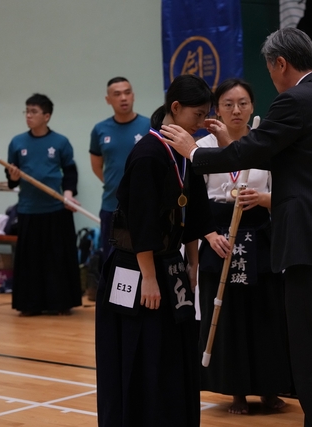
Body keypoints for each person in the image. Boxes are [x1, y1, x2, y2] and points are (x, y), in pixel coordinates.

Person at [161, 28, 312, 427]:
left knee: (310, 361)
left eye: (270, 70)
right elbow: (284, 158)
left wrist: (195, 152)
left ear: (281, 63)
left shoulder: (295, 100)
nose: (272, 78)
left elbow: (257, 149)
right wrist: (229, 145)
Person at [95, 74, 221, 427]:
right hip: (136, 268)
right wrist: (148, 278)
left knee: (173, 351)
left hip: (170, 264)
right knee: (140, 352)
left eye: (205, 115)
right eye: (197, 115)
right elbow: (141, 223)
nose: (201, 123)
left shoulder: (185, 152)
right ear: (175, 108)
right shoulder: (149, 154)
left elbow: (192, 211)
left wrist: (192, 263)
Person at [196, 78, 291, 414]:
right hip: (219, 239)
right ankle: (236, 391)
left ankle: (268, 388)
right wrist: (209, 235)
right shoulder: (203, 147)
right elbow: (194, 202)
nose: (236, 110)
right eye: (228, 104)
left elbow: (286, 195)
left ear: (252, 107)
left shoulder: (264, 143)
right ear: (216, 109)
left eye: (243, 103)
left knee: (265, 314)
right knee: (228, 317)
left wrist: (263, 199)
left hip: (259, 236)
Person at [6, 93, 83, 316]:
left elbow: (70, 171)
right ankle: (30, 305)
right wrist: (13, 176)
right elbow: (12, 180)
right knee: (30, 261)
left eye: (34, 112)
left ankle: (60, 303)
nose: (28, 116)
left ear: (46, 116)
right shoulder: (17, 142)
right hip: (28, 209)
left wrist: (68, 194)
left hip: (56, 209)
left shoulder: (60, 142)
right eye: (27, 111)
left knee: (57, 260)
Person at [89, 77, 150, 255]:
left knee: (144, 259)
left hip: (144, 206)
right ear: (108, 99)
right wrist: (117, 184)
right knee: (111, 260)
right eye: (117, 94)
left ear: (133, 96)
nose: (123, 98)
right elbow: (97, 166)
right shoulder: (100, 129)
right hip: (111, 206)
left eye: (127, 93)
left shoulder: (148, 126)